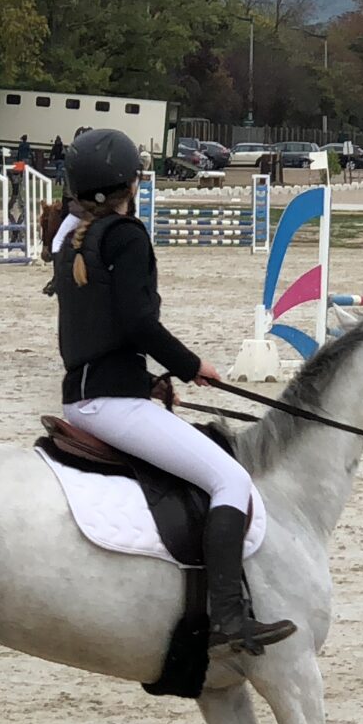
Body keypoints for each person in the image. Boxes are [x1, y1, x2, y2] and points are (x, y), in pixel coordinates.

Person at [45, 127, 295, 658]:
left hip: (87, 395)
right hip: (109, 404)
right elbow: (137, 323)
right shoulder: (126, 236)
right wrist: (188, 365)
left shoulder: (71, 238)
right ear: (127, 185)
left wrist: (149, 381)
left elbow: (96, 333)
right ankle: (228, 616)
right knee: (231, 478)